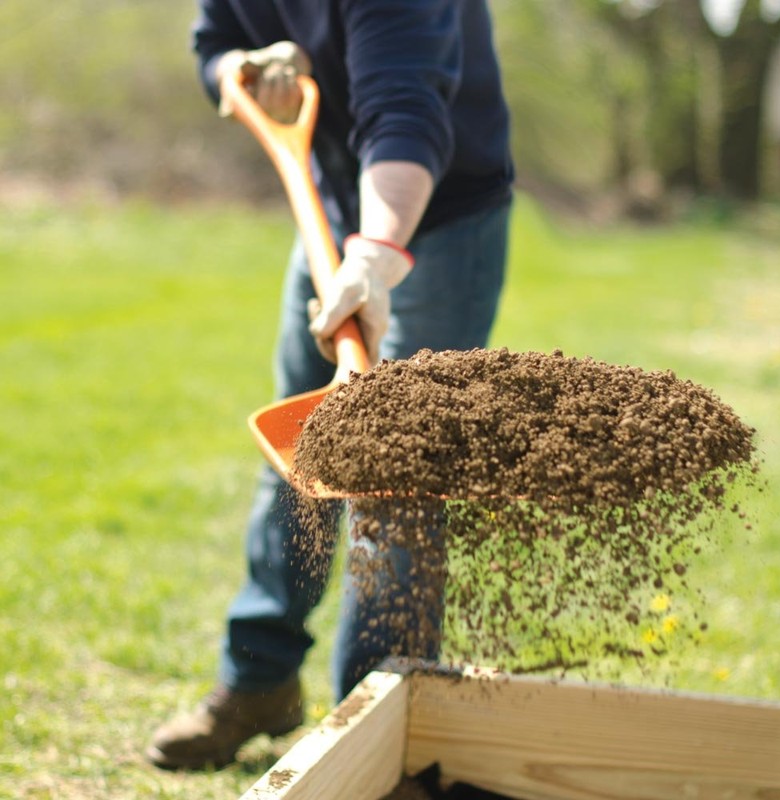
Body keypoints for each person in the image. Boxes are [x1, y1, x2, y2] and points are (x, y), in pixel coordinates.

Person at [147, 0, 514, 770]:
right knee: (297, 452)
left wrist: (373, 258)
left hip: (437, 215)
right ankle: (259, 682)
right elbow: (215, 42)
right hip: (330, 201)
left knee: (399, 480)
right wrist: (244, 71)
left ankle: (379, 730)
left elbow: (405, 113)